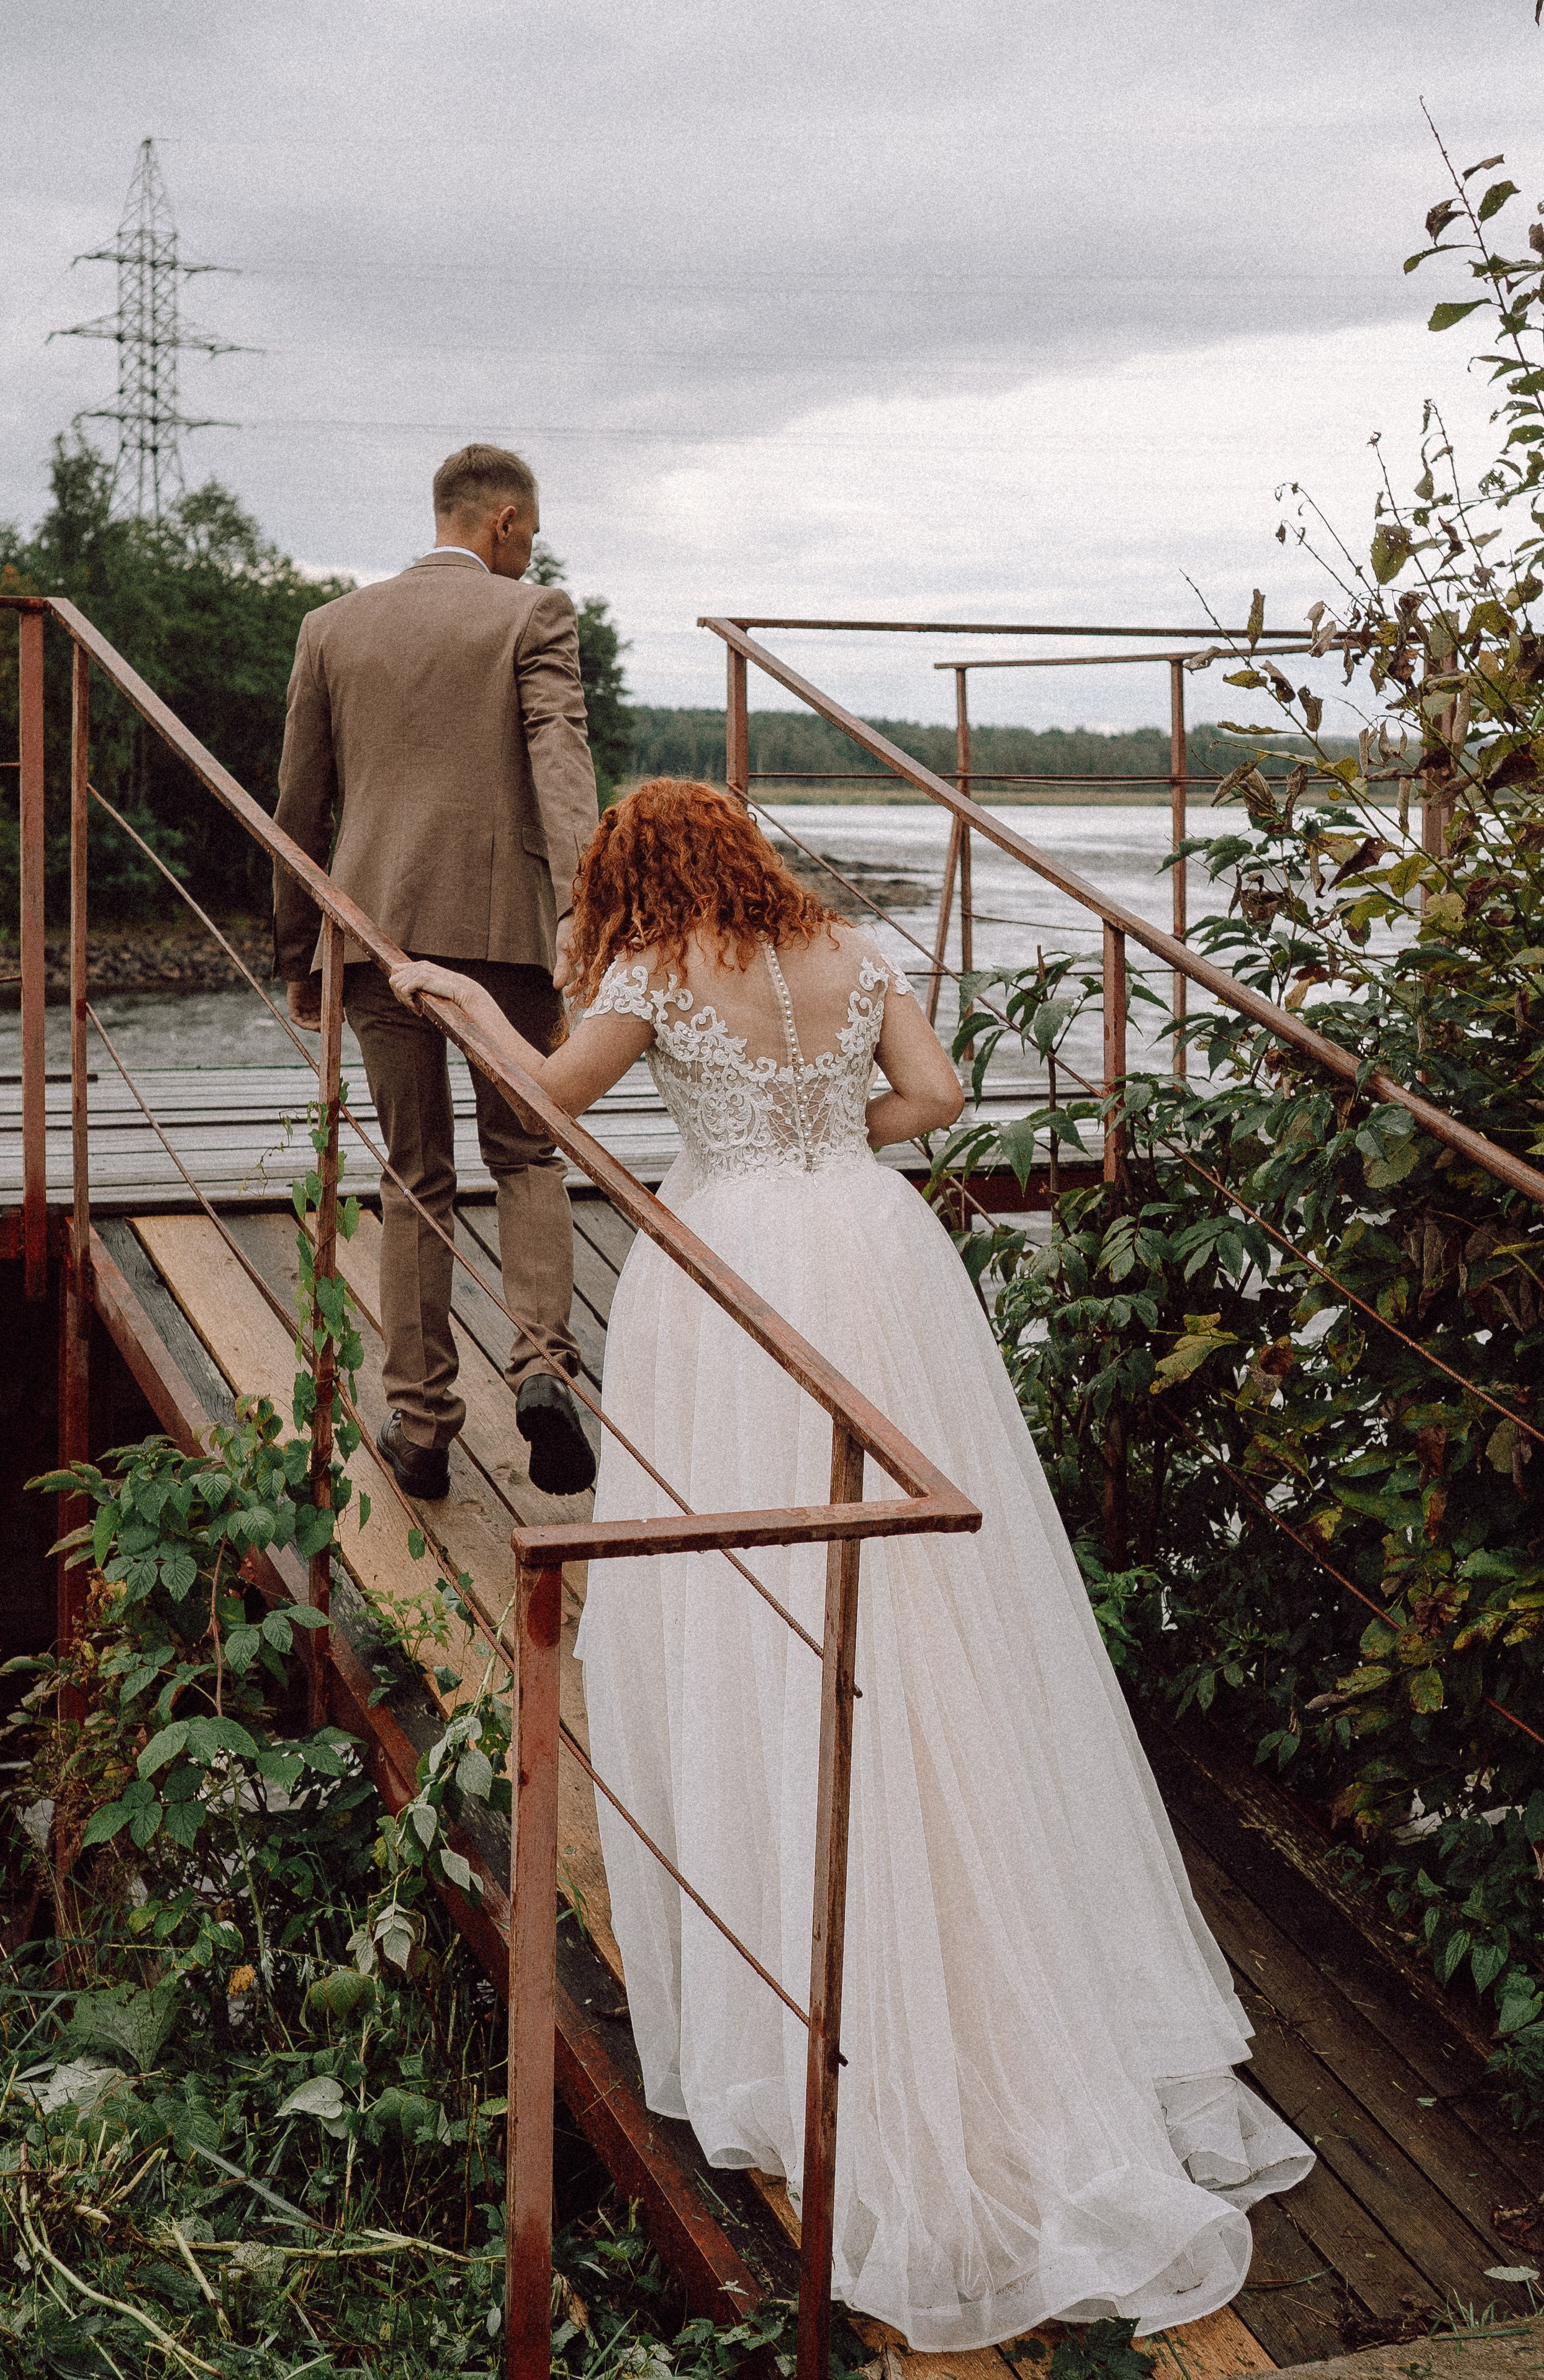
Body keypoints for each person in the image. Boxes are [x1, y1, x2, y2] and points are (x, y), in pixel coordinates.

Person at [389, 778, 1312, 2353]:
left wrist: (470, 1002)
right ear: (743, 850)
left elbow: (549, 1106)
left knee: (749, 1563)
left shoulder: (651, 968)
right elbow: (939, 1102)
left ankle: (801, 1930)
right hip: (881, 1247)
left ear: (632, 874)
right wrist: (829, 1149)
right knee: (941, 1582)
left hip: (737, 1257)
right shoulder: (848, 945)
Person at [273, 443, 600, 1502]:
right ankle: (546, 1368)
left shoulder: (332, 628)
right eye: (532, 534)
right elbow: (561, 759)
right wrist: (582, 912)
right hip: (508, 934)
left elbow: (298, 807)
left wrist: (299, 950)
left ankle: (420, 1427)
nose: (531, 553)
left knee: (414, 1175)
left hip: (374, 934)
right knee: (527, 1152)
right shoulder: (532, 614)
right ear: (503, 521)